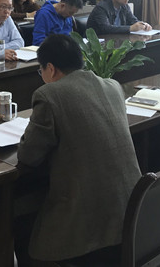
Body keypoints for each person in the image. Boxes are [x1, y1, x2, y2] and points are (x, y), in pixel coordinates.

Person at [15, 34, 141, 264]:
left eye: (40, 71)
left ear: (50, 68)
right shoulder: (112, 86)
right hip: (130, 213)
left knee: (21, 218)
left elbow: (28, 156)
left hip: (86, 222)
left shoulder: (49, 94)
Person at [86, 0, 151, 34]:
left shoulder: (125, 6)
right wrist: (130, 28)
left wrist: (143, 25)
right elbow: (106, 28)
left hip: (116, 40)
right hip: (97, 41)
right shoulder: (101, 8)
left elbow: (133, 20)